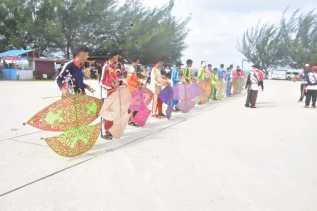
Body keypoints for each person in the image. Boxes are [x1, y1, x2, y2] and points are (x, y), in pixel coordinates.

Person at [100, 52, 121, 140]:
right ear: (112, 57)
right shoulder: (106, 66)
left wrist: (119, 83)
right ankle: (106, 131)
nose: (117, 59)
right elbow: (101, 81)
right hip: (109, 93)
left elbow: (115, 79)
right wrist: (110, 87)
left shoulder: (114, 66)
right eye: (116, 57)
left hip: (115, 92)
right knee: (108, 113)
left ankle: (111, 129)